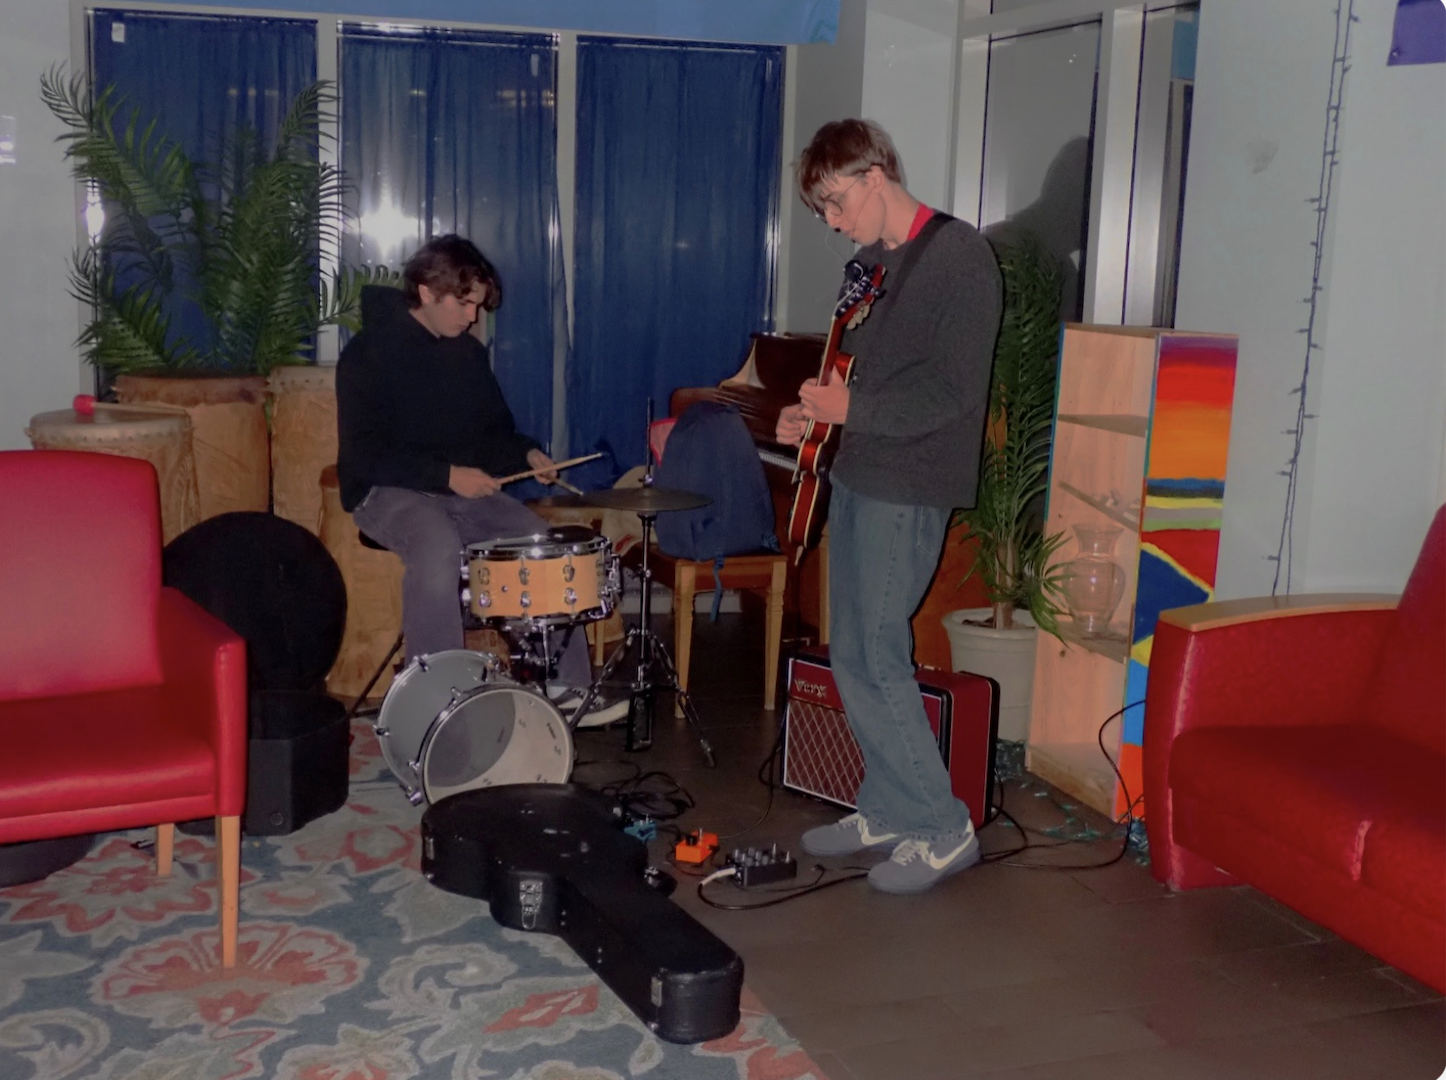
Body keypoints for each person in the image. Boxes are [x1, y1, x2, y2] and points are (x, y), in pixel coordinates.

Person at [776, 120, 1003, 893]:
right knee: (851, 653)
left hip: (911, 482)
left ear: (876, 175)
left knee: (880, 656)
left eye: (837, 203)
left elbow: (950, 393)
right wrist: (811, 413)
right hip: (860, 472)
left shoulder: (960, 259)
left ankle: (942, 828)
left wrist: (852, 412)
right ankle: (887, 805)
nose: (835, 223)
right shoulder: (870, 263)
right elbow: (856, 371)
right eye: (823, 212)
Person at [336, 233, 625, 726]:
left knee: (540, 543)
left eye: (476, 305)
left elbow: (495, 433)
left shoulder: (466, 355)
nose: (472, 316)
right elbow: (365, 454)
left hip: (460, 493)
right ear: (427, 291)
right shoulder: (368, 354)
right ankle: (440, 703)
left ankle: (566, 688)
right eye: (464, 302)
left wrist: (527, 452)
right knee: (436, 545)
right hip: (388, 491)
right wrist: (447, 475)